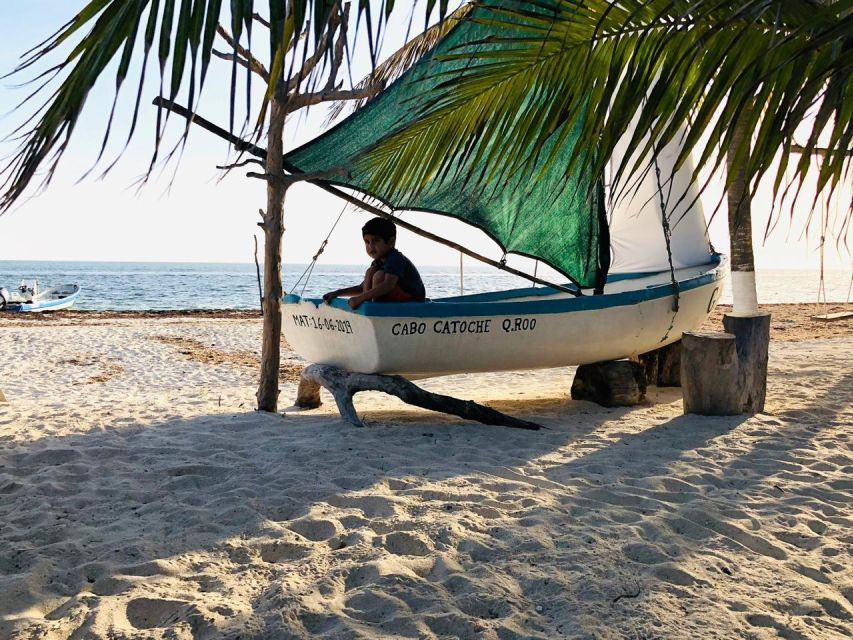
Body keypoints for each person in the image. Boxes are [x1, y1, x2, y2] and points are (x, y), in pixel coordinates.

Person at [323, 217, 426, 309]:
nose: (370, 246)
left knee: (378, 275)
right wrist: (337, 293)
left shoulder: (396, 258)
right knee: (371, 272)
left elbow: (388, 285)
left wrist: (360, 298)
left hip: (413, 300)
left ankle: (374, 308)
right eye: (367, 242)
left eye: (376, 241)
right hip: (397, 298)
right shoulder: (377, 263)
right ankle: (367, 306)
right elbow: (362, 288)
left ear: (391, 242)